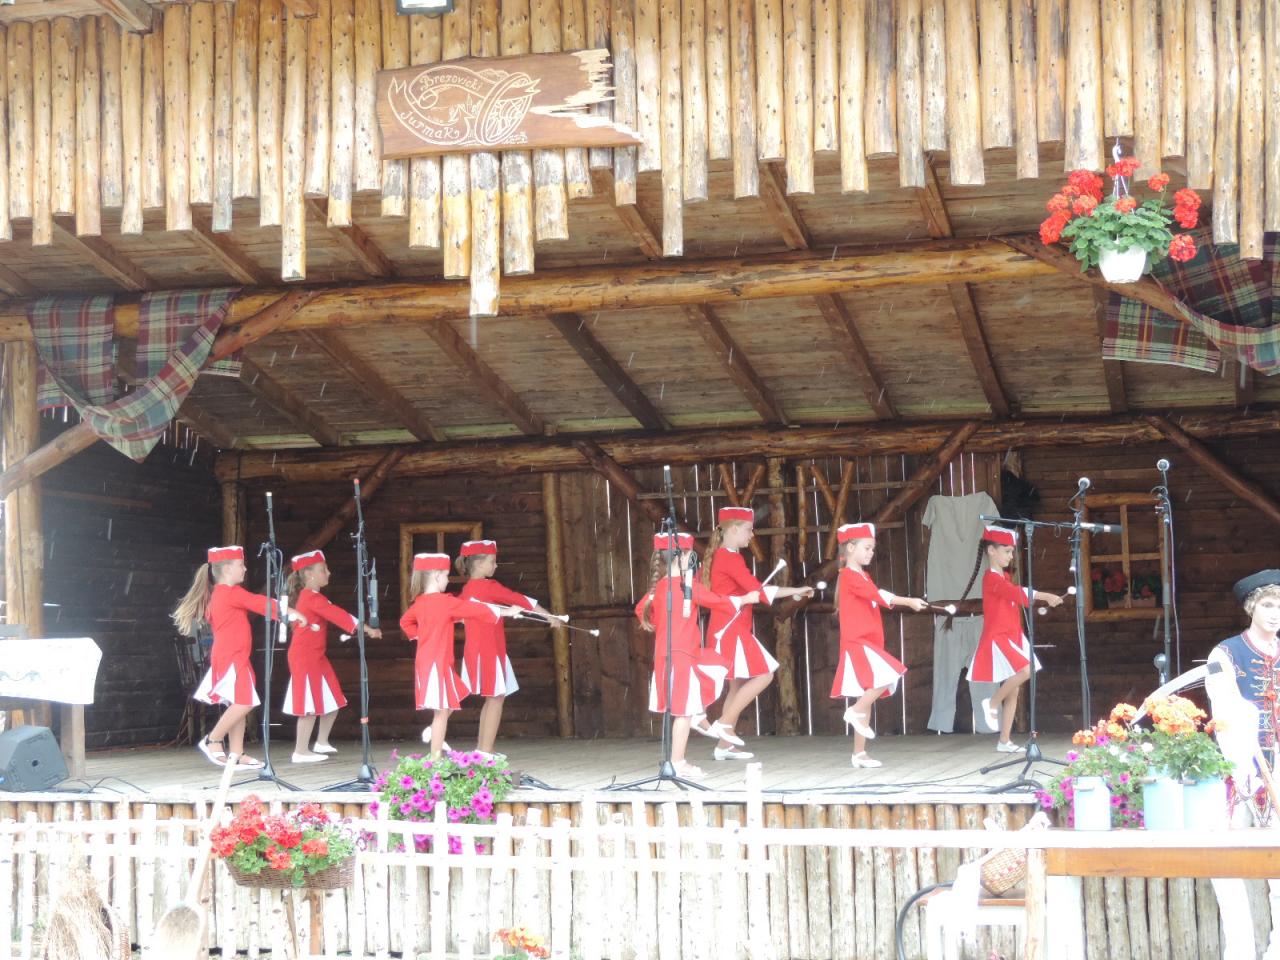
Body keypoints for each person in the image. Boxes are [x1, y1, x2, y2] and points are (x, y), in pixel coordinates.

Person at [171, 545, 308, 769]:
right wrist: (290, 612)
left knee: (240, 702)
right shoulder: (230, 593)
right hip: (232, 657)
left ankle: (236, 753)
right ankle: (213, 739)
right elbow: (260, 603)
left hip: (234, 656)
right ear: (227, 569)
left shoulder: (220, 594)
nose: (245, 569)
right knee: (245, 702)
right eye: (240, 565)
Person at [636, 531, 758, 780]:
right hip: (683, 658)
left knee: (712, 664)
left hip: (668, 656)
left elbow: (642, 610)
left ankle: (699, 714)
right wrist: (746, 598)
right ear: (683, 558)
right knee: (683, 713)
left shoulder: (658, 589)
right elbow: (718, 601)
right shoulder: (687, 587)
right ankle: (678, 762)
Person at [1205, 569, 1280, 960]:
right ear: (1252, 607)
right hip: (1238, 770)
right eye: (1268, 604)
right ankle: (1239, 951)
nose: (1275, 613)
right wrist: (1245, 762)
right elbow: (1225, 711)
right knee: (1227, 863)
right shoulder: (1226, 653)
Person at [698, 507, 814, 760]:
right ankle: (724, 724)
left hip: (725, 628)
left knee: (737, 685)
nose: (752, 535)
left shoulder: (719, 556)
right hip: (732, 630)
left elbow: (755, 591)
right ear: (734, 529)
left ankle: (723, 746)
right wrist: (795, 590)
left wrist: (794, 592)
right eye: (749, 530)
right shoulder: (730, 558)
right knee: (765, 674)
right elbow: (757, 590)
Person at [399, 552, 523, 758]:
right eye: (446, 575)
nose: (448, 580)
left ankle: (433, 733)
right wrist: (507, 612)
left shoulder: (420, 603)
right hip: (438, 663)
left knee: (459, 693)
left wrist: (421, 635)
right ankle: (435, 760)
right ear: (436, 575)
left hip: (428, 662)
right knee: (442, 711)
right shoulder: (445, 602)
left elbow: (405, 622)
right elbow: (475, 609)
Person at [831, 523, 928, 768]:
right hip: (858, 642)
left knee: (869, 692)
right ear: (850, 548)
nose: (871, 552)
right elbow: (878, 595)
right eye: (867, 548)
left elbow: (875, 593)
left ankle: (859, 753)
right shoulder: (849, 576)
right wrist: (909, 601)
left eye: (872, 548)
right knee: (886, 677)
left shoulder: (862, 576)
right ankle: (855, 711)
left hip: (867, 642)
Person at [959, 525, 1062, 751]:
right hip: (1000, 636)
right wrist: (1045, 596)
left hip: (1013, 636)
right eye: (1006, 551)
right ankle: (992, 702)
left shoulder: (1003, 577)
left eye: (1011, 551)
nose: (1010, 556)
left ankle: (1004, 741)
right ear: (991, 551)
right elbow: (1015, 593)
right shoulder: (991, 579)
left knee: (1014, 688)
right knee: (1026, 670)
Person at [456, 539, 556, 759]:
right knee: (496, 698)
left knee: (492, 698)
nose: (496, 565)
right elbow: (519, 600)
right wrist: (549, 616)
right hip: (490, 652)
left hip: (477, 652)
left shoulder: (467, 589)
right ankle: (485, 753)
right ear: (479, 564)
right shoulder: (488, 586)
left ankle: (483, 748)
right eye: (492, 561)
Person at [282, 549, 381, 763]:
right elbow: (338, 615)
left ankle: (321, 742)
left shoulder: (312, 596)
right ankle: (300, 751)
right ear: (309, 575)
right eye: (323, 570)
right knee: (309, 704)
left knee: (333, 698)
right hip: (305, 656)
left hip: (316, 656)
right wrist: (367, 629)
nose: (328, 573)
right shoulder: (310, 597)